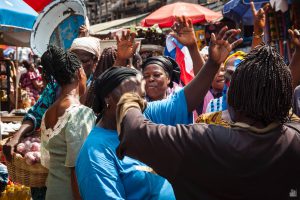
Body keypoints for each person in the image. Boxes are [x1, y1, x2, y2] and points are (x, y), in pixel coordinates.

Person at [76, 17, 242, 199]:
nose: (138, 102)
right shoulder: (95, 152)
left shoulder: (144, 113)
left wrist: (212, 62)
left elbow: (186, 99)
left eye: (140, 95)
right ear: (108, 99)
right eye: (129, 96)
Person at [116, 44, 300, 200]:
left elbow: (134, 133)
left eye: (230, 80)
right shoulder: (295, 137)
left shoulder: (204, 140)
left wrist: (129, 96)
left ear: (234, 99)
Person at [40, 46, 95, 200]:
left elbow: (47, 160)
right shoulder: (80, 113)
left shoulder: (48, 112)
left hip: (52, 191)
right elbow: (79, 166)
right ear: (79, 73)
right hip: (72, 194)